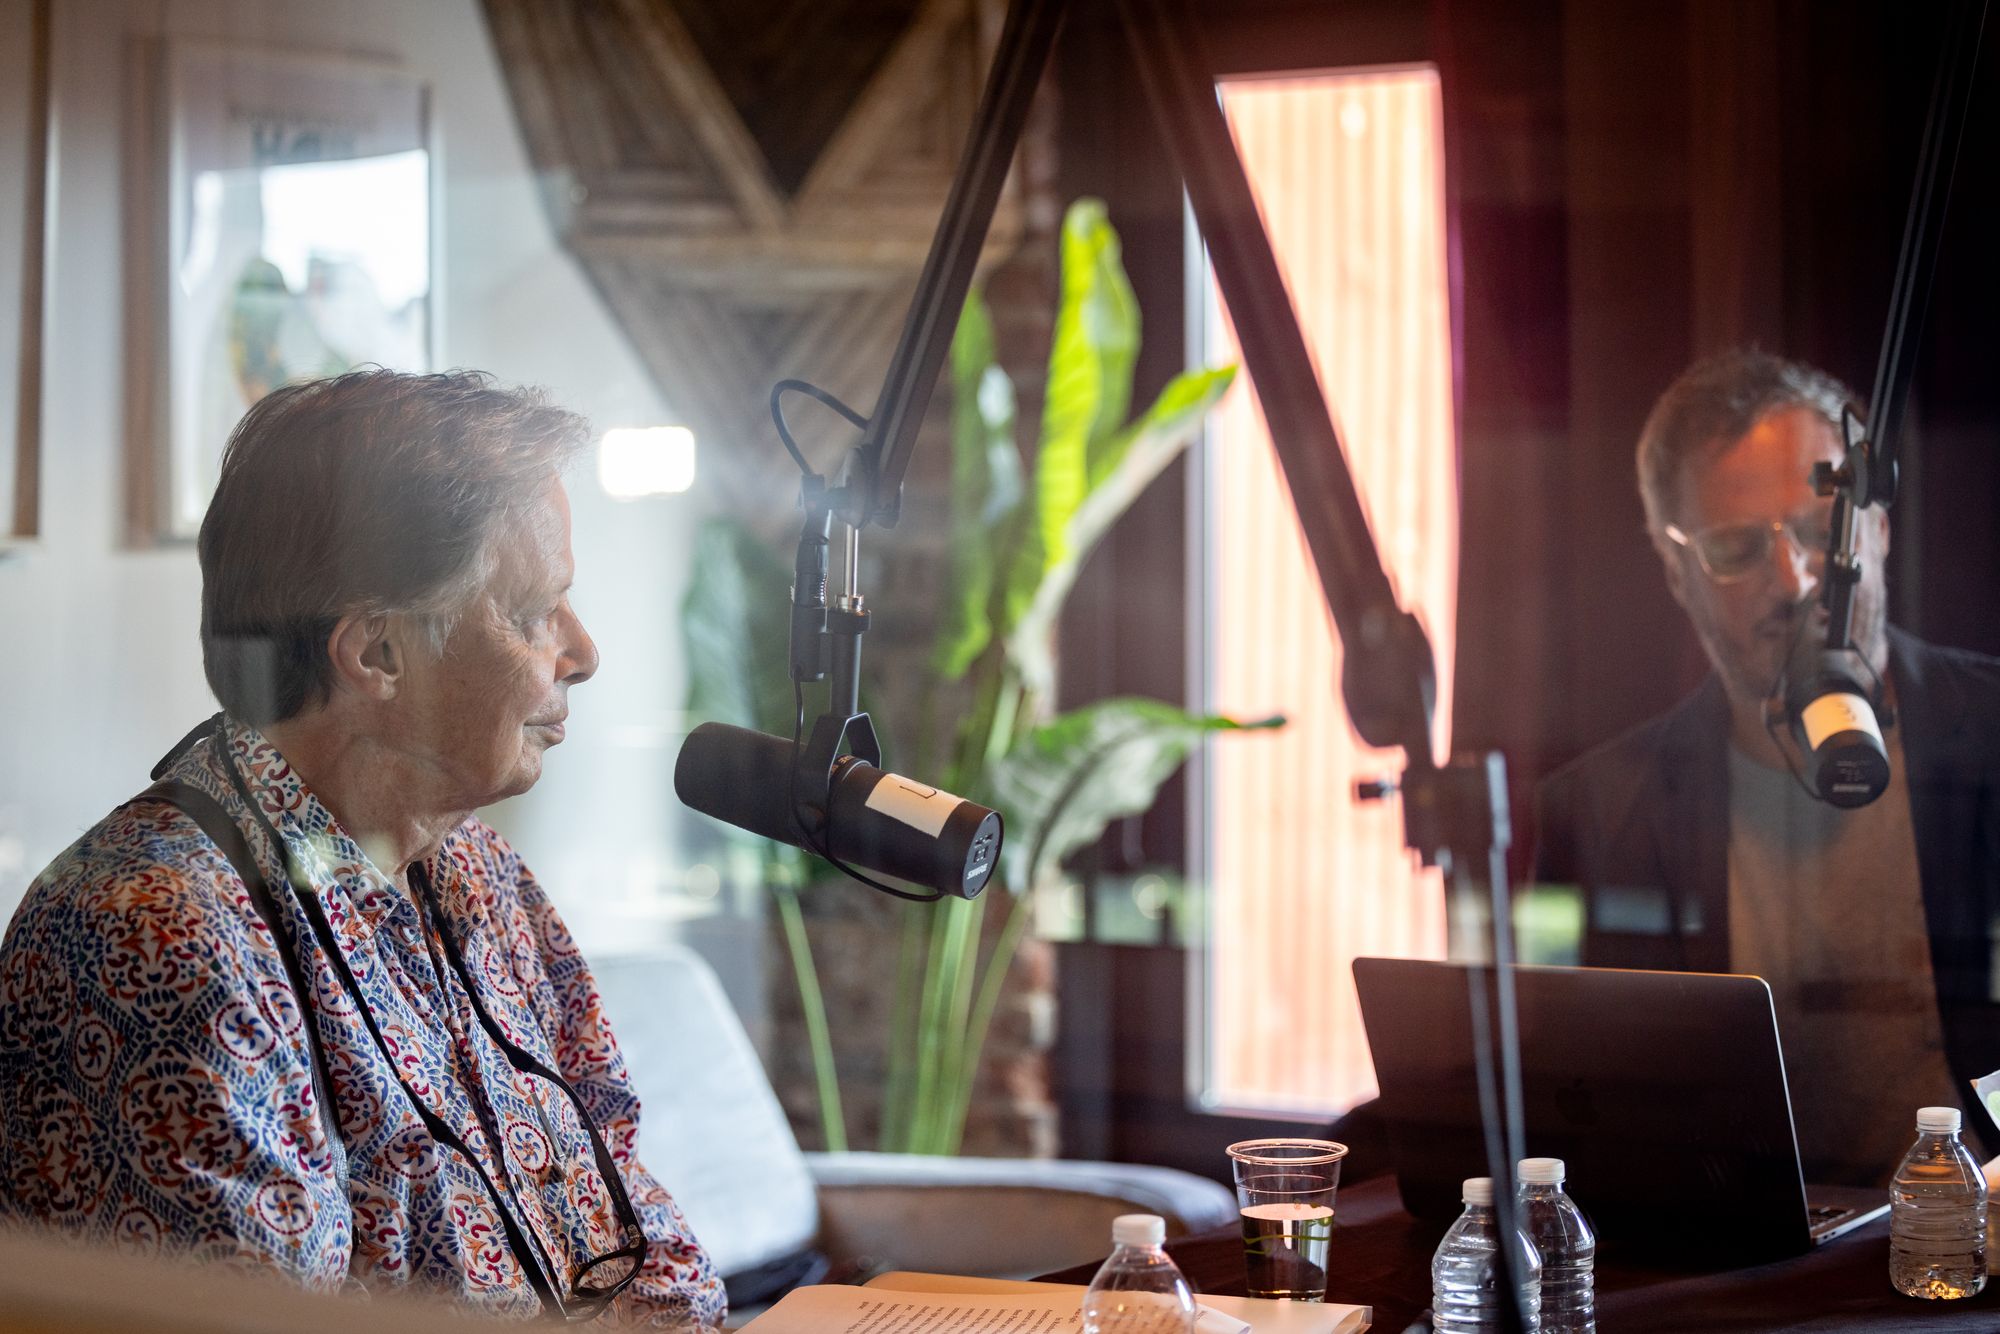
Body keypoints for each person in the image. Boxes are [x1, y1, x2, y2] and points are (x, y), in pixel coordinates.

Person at [0, 370, 725, 1324]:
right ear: (377, 652)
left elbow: (632, 1218)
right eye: (531, 611)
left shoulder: (478, 873)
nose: (582, 651)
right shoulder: (157, 938)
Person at [1534, 348, 2000, 1188]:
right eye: (1736, 548)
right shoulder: (1609, 810)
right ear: (1677, 572)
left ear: (1881, 528)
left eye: (1824, 533)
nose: (1795, 580)